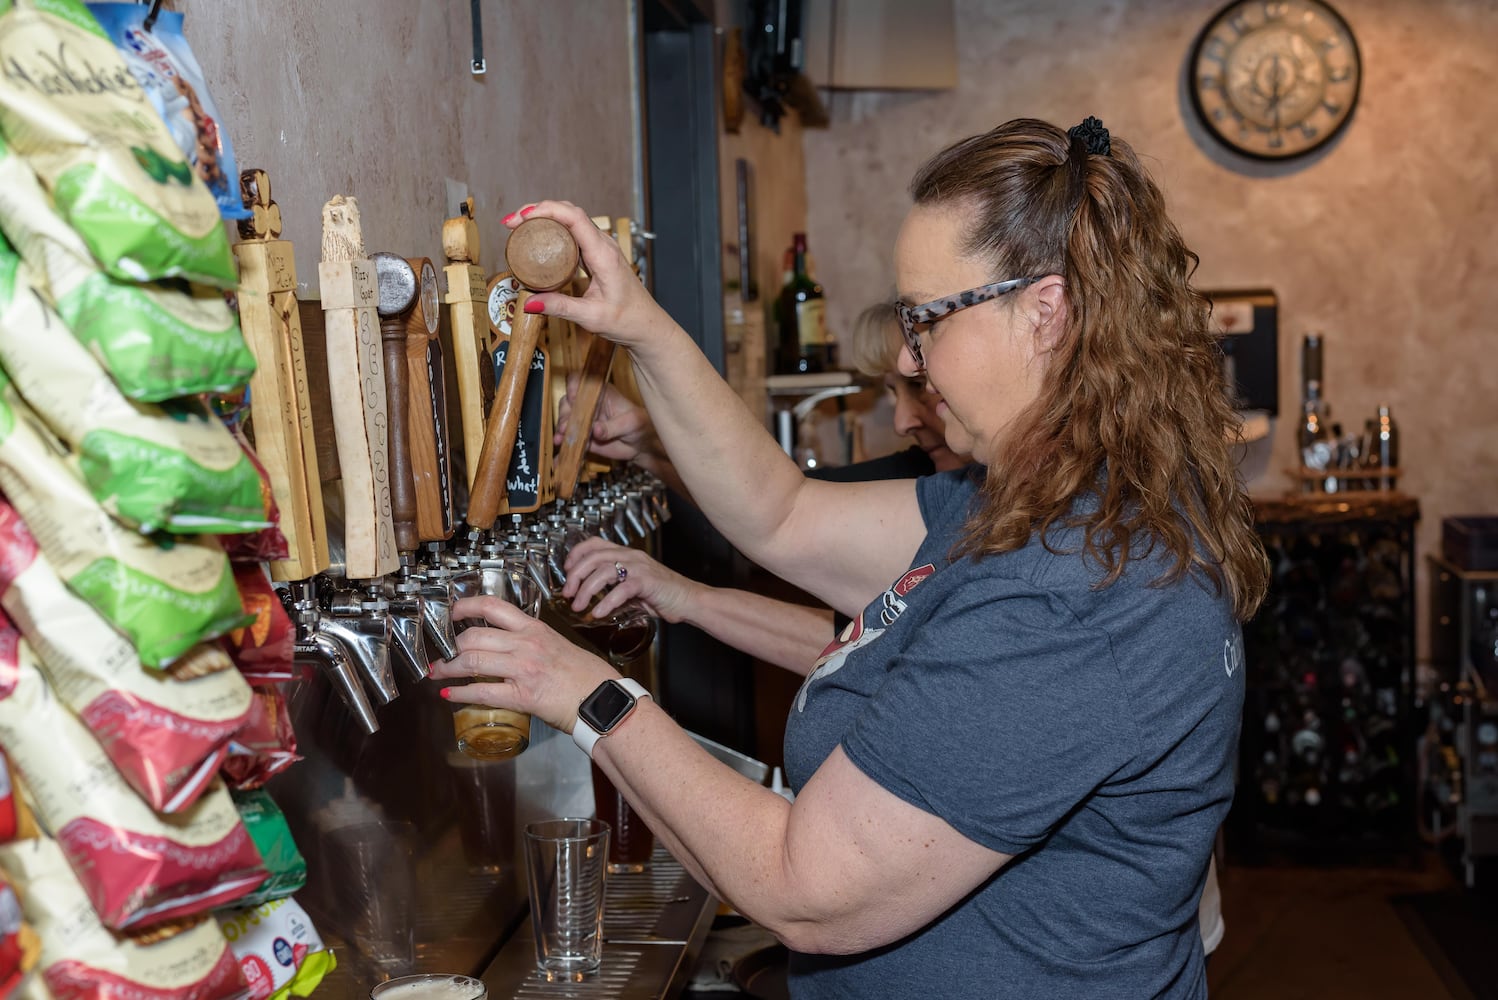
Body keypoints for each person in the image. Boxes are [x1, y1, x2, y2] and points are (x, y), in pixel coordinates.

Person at [431, 116, 1268, 997]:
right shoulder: (1027, 502)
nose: (909, 356)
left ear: (1045, 313)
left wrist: (589, 697)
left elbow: (806, 892)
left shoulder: (1080, 588)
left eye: (927, 319)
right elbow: (782, 514)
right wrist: (639, 325)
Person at [561, 300, 970, 674]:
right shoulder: (929, 474)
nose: (902, 422)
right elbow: (858, 637)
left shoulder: (975, 504)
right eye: (892, 393)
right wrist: (683, 596)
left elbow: (781, 518)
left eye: (917, 386)